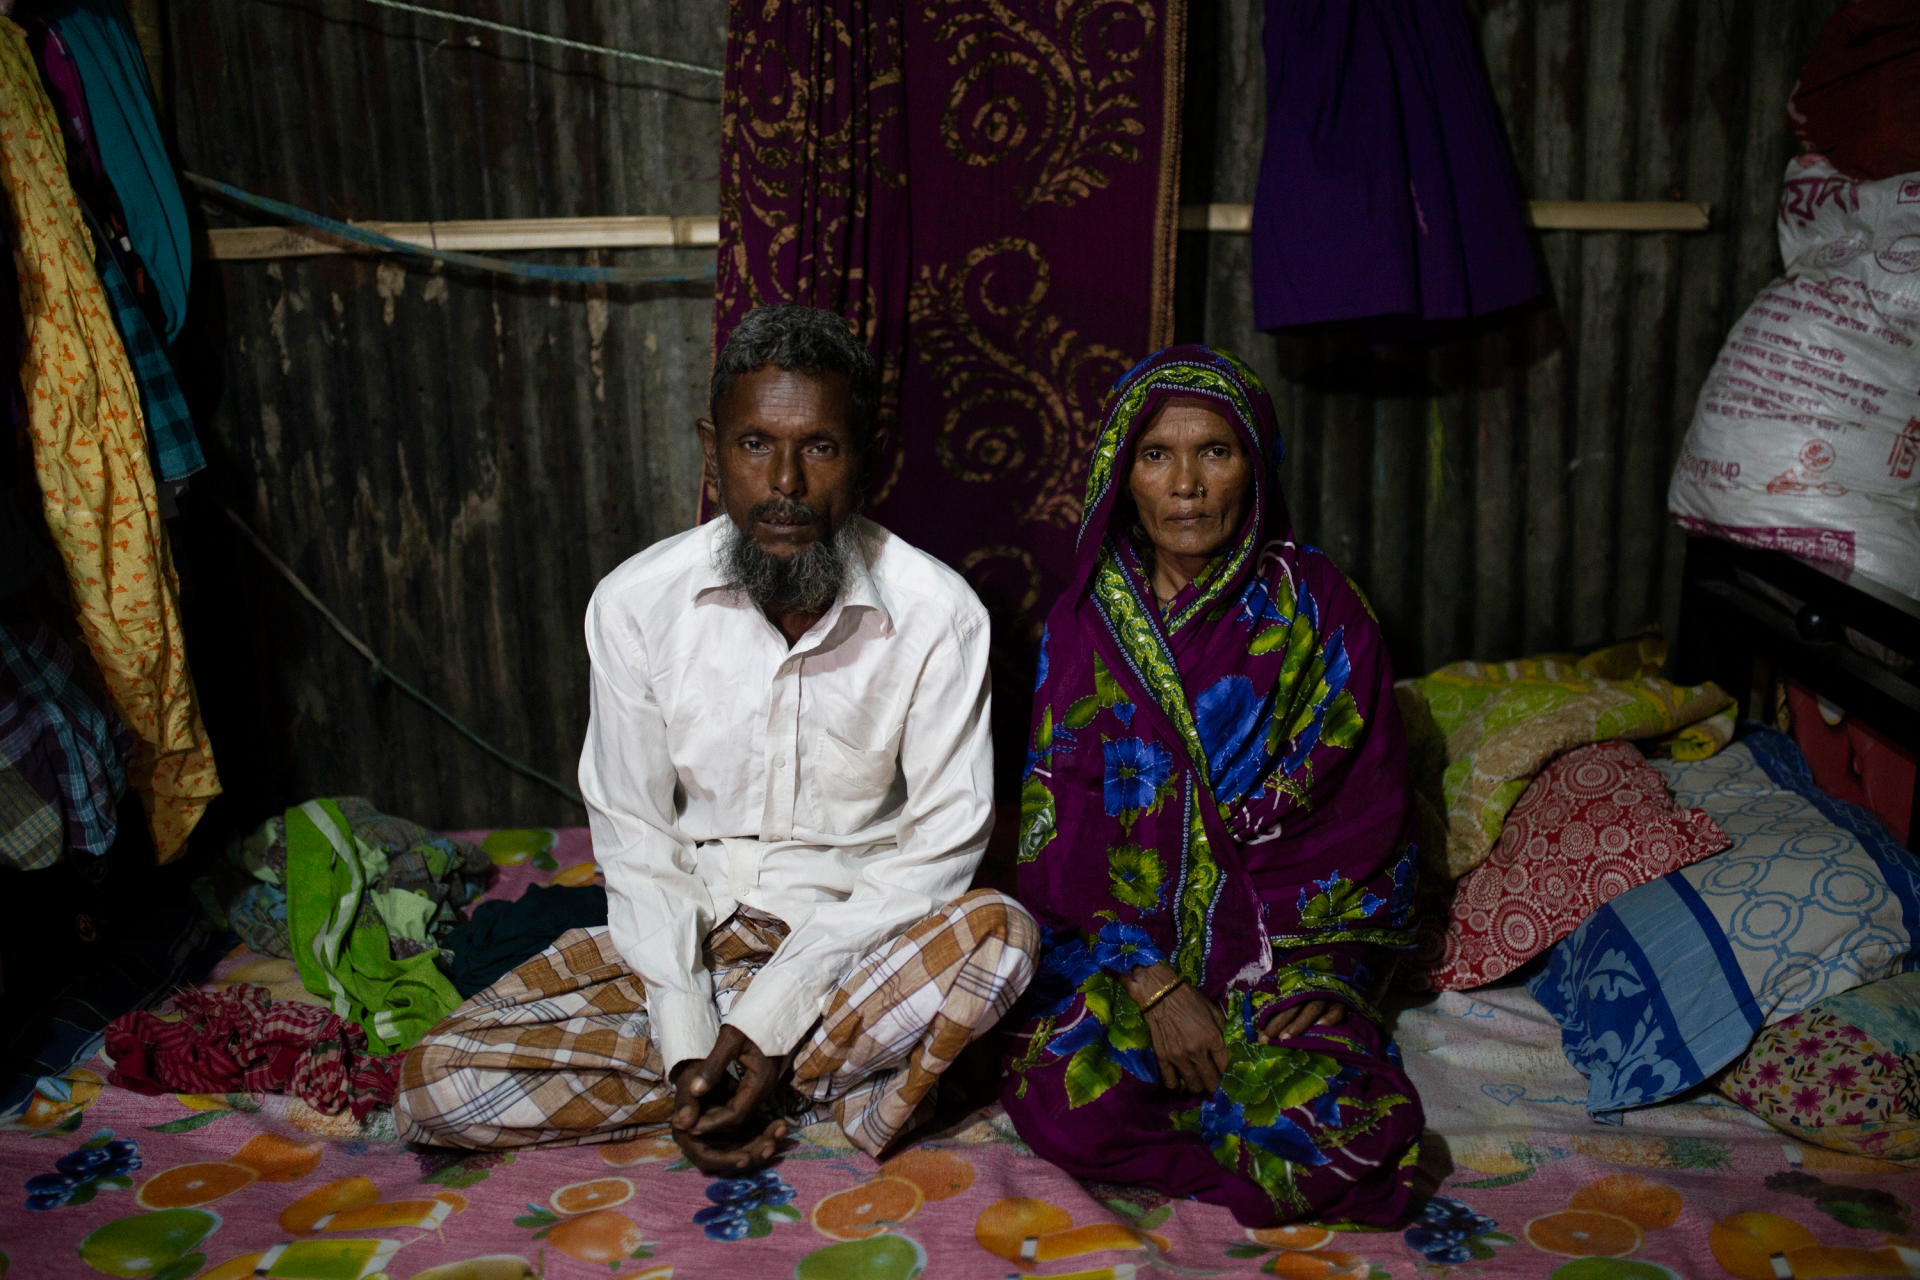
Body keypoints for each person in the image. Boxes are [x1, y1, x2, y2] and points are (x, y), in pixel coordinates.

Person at [396, 304, 1037, 1169]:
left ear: (867, 455)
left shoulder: (939, 615)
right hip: (693, 934)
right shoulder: (635, 604)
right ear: (712, 450)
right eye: (753, 445)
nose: (784, 484)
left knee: (1002, 936)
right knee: (438, 1079)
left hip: (857, 943)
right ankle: (748, 1088)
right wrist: (691, 1038)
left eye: (819, 447)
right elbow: (635, 830)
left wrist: (772, 1015)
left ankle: (753, 1077)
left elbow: (939, 850)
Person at [1001, 345, 1423, 1227]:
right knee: (1064, 1088)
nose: (1185, 484)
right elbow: (1056, 834)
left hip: (1283, 952)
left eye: (1215, 453)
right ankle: (1213, 1114)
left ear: (1256, 467)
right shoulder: (1083, 624)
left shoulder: (1321, 612)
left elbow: (1364, 814)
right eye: (1156, 456)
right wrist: (1151, 982)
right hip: (1129, 956)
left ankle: (1241, 1092)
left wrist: (1319, 970)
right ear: (1124, 474)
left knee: (1346, 1123)